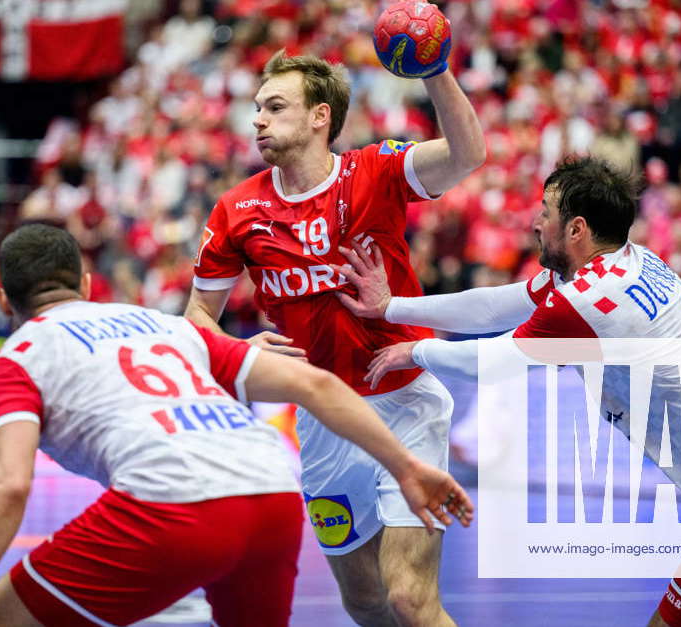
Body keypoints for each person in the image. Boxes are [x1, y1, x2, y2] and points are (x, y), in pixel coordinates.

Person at [332, 157, 681, 627]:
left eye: (546, 212)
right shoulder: (629, 262)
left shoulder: (587, 300)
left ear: (576, 229)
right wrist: (394, 309)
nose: (536, 222)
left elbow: (496, 361)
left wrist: (414, 351)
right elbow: (496, 306)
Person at [0, 224, 473, 627]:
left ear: (1, 298)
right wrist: (407, 467)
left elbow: (10, 484)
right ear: (86, 283)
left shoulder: (19, 358)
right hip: (269, 494)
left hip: (170, 505)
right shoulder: (165, 327)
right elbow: (317, 385)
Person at [185, 46, 485, 626]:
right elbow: (199, 313)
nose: (258, 120)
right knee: (365, 600)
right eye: (256, 109)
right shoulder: (237, 210)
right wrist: (234, 348)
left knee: (409, 598)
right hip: (323, 416)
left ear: (320, 116)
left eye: (275, 107)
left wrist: (436, 70)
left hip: (405, 401)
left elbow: (469, 154)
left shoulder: (377, 171)